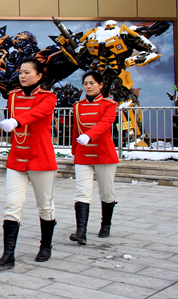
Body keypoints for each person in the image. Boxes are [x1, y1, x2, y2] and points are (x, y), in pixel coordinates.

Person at [0, 59, 58, 268]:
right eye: (20, 72)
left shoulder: (48, 97)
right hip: (17, 158)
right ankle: (8, 254)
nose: (22, 76)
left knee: (45, 205)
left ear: (39, 76)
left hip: (41, 158)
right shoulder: (13, 96)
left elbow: (38, 113)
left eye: (27, 72)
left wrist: (16, 121)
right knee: (12, 205)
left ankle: (45, 246)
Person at [69, 70, 119, 245]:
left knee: (106, 192)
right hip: (83, 154)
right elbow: (76, 129)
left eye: (92, 83)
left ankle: (106, 224)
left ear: (101, 85)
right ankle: (81, 232)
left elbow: (105, 123)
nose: (88, 86)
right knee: (82, 192)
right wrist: (74, 150)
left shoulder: (109, 104)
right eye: (85, 84)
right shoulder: (78, 106)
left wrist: (89, 135)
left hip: (103, 153)